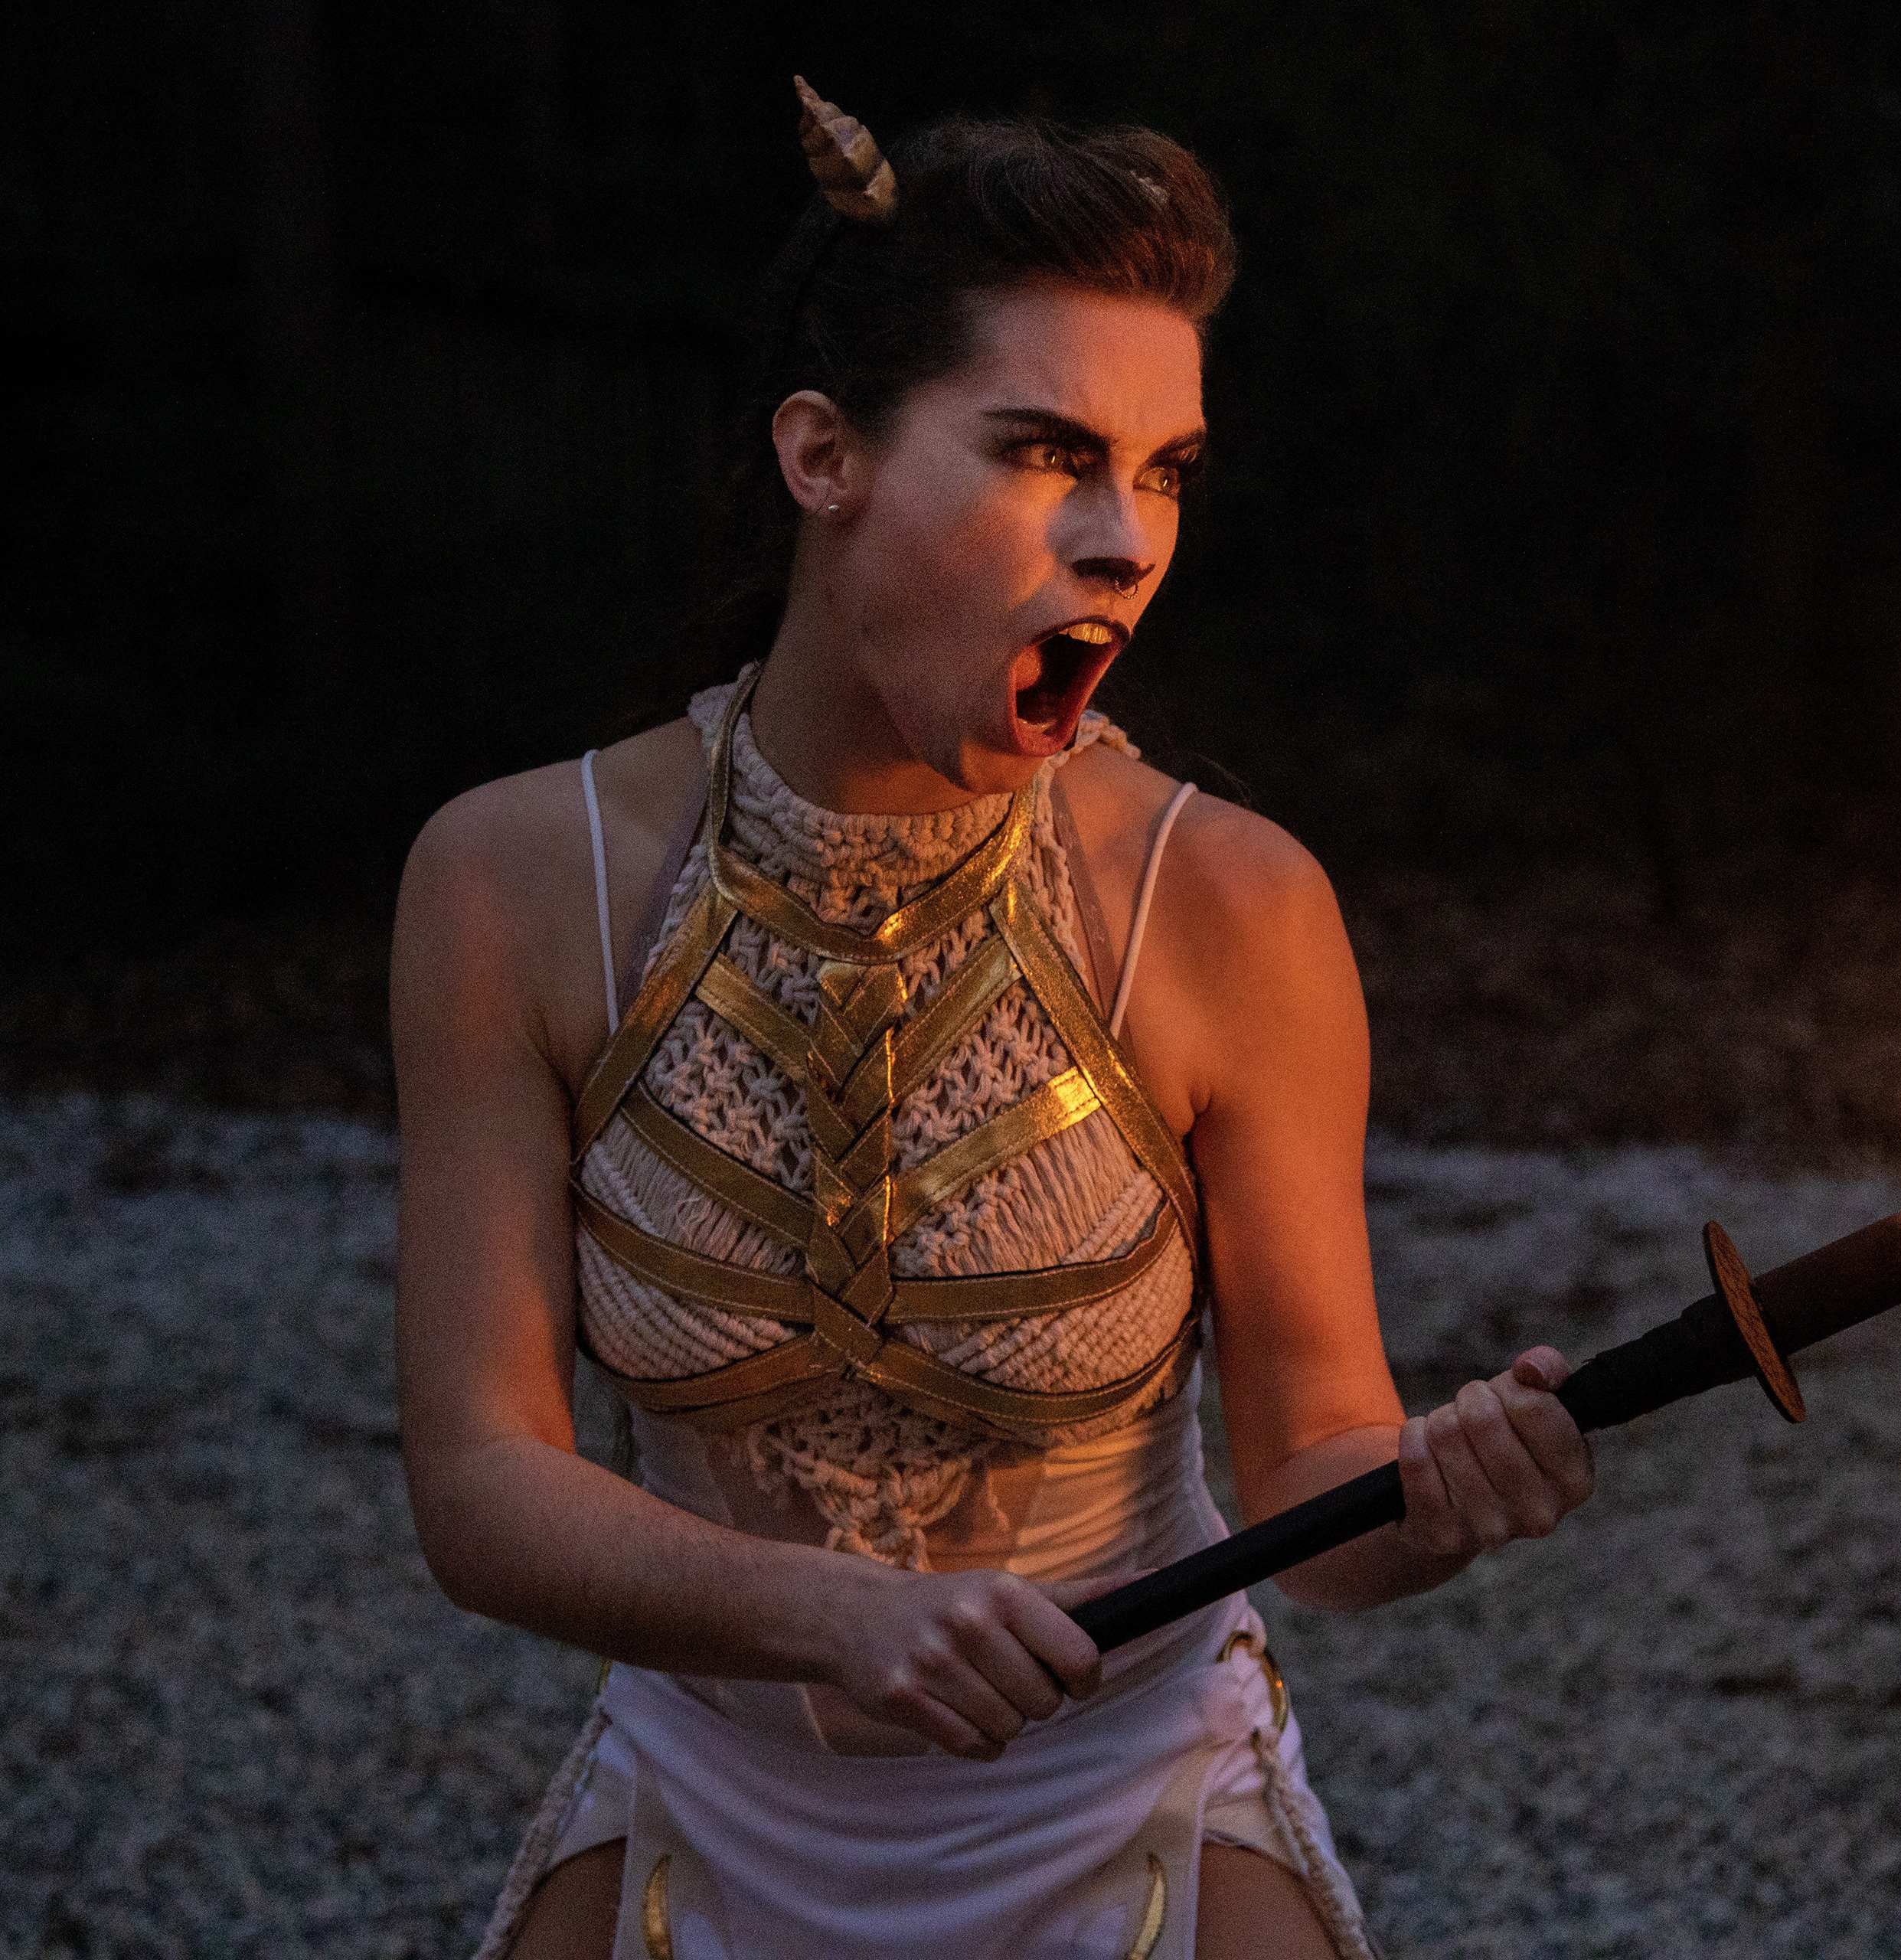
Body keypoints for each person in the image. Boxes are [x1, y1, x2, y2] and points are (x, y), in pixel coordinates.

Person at [391, 87, 1595, 1960]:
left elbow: (1319, 1478)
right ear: (824, 455)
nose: (1126, 541)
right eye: (1049, 452)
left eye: (1167, 470)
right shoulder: (520, 882)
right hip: (716, 1787)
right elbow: (480, 1480)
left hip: (1121, 1792)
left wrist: (1440, 1497)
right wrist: (827, 1614)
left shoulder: (1229, 904)